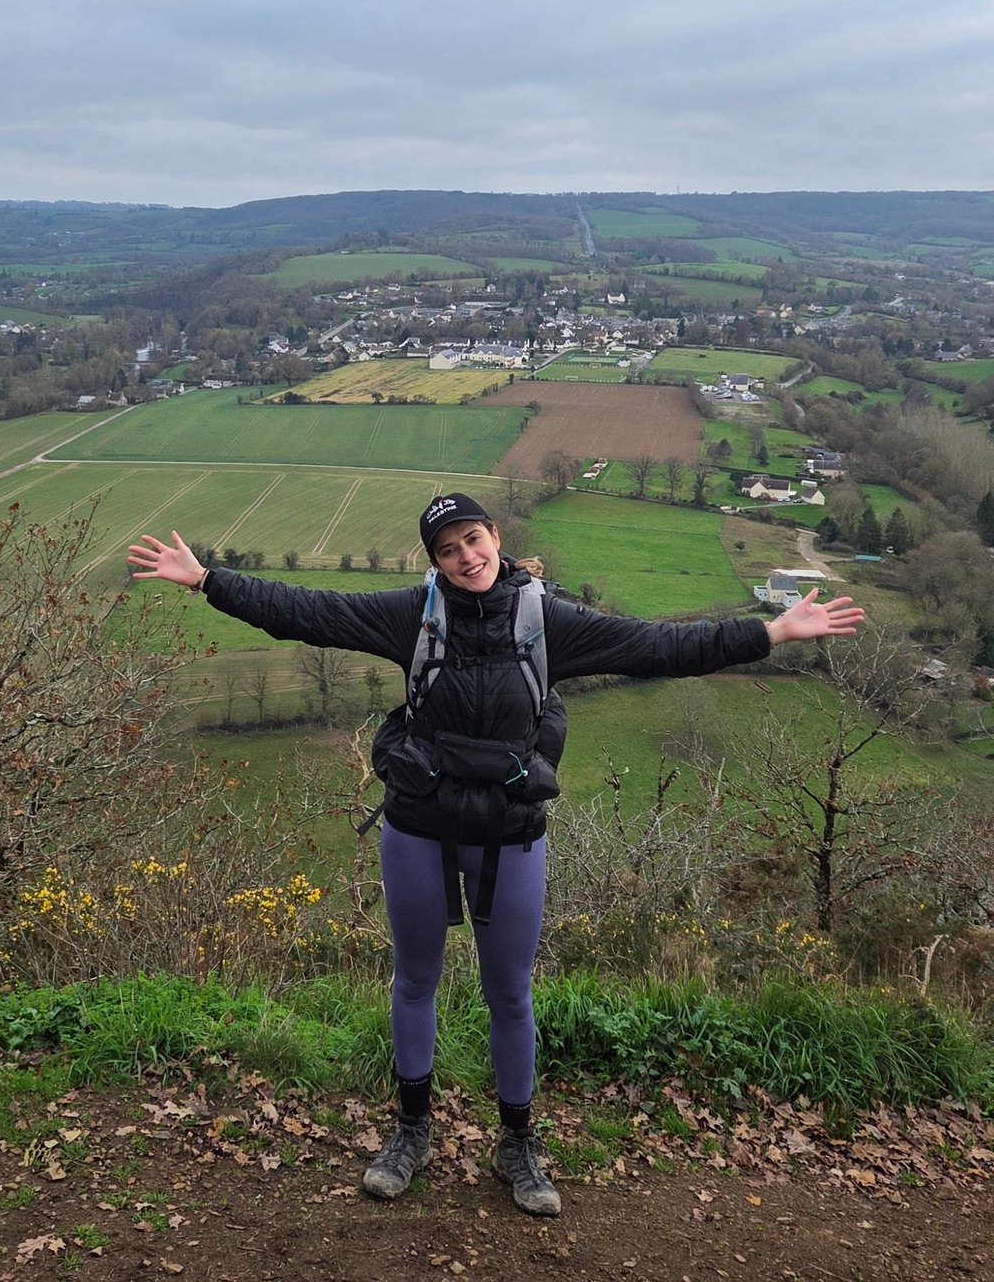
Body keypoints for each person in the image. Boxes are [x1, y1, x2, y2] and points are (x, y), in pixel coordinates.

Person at [128, 491, 864, 1217]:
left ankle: (518, 1143)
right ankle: (411, 1132)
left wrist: (770, 633)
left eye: (473, 540)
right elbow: (307, 610)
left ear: (496, 536)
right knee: (415, 977)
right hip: (418, 821)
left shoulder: (549, 621)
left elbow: (659, 646)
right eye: (448, 550)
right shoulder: (411, 617)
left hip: (509, 827)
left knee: (509, 990)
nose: (466, 557)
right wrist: (206, 580)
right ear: (435, 562)